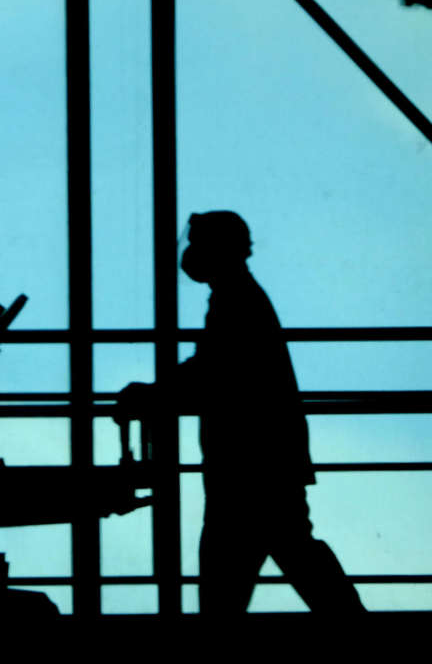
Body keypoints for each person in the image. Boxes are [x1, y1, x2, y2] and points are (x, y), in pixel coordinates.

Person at [118, 210, 365, 615]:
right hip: (267, 462)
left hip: (245, 467)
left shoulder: (235, 300)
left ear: (219, 248)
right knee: (295, 553)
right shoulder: (240, 296)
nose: (191, 253)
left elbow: (213, 370)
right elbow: (214, 369)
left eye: (199, 244)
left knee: (232, 569)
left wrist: (154, 393)